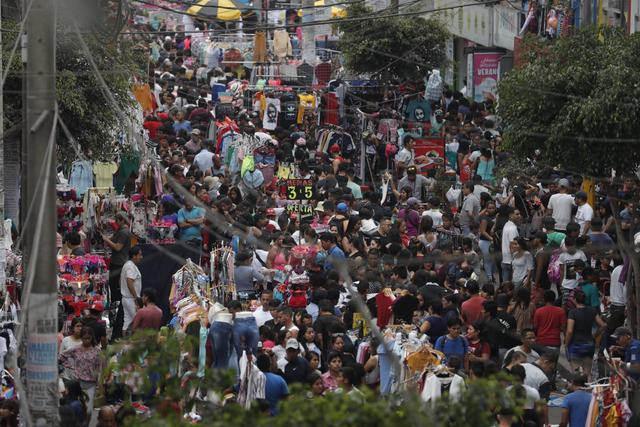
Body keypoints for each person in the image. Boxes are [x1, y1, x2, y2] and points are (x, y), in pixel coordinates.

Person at [59, 327, 104, 414]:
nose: (86, 340)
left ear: (92, 338)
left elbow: (100, 367)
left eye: (88, 338)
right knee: (76, 407)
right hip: (77, 382)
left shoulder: (97, 350)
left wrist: (100, 384)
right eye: (84, 338)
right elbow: (62, 356)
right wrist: (69, 366)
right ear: (81, 338)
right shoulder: (76, 348)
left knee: (88, 410)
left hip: (91, 383)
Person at [101, 212, 131, 341]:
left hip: (119, 263)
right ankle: (115, 314)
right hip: (116, 262)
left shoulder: (124, 232)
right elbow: (113, 241)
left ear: (120, 220)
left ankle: (117, 315)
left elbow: (117, 247)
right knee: (113, 289)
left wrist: (105, 239)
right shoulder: (120, 230)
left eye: (116, 220)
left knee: (116, 290)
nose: (115, 222)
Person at [566, 290, 605, 378]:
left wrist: (566, 343)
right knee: (588, 373)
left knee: (576, 373)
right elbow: (603, 325)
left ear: (575, 300)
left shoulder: (573, 312)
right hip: (589, 344)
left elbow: (569, 331)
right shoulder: (592, 311)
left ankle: (578, 390)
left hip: (576, 345)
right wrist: (595, 335)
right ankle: (589, 390)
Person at [120, 246, 143, 335]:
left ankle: (125, 345)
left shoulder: (127, 265)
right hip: (131, 299)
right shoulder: (130, 266)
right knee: (138, 321)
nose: (141, 257)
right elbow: (130, 282)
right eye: (140, 255)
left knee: (127, 322)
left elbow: (122, 281)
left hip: (126, 298)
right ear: (134, 256)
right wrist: (136, 298)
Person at [501, 208, 521, 282]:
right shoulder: (512, 228)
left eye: (519, 214)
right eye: (517, 214)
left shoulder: (507, 224)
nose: (519, 216)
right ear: (510, 215)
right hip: (510, 262)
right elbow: (512, 245)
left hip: (506, 260)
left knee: (506, 286)